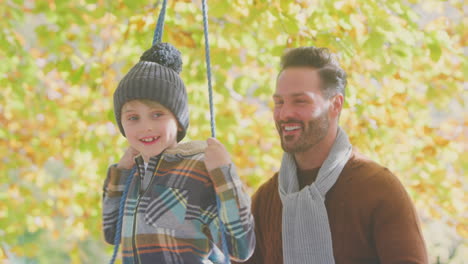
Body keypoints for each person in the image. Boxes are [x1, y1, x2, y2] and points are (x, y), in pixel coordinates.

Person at [239, 47, 428, 264]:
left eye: (300, 101)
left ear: (335, 105)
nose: (285, 113)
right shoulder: (266, 199)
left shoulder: (379, 188)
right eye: (279, 102)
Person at [102, 42, 255, 264]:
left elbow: (239, 248)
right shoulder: (134, 175)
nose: (146, 127)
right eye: (133, 118)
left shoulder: (199, 168)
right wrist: (120, 173)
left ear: (179, 121)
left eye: (157, 115)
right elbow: (111, 233)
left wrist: (224, 175)